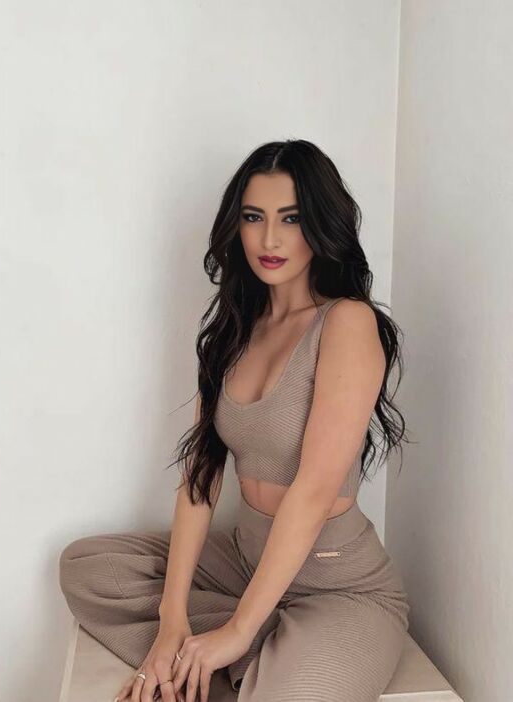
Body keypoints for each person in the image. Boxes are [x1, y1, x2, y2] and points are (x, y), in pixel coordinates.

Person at [59, 139, 412, 702]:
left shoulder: (346, 322)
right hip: (247, 562)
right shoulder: (236, 328)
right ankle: (240, 646)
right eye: (253, 217)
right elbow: (200, 477)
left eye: (290, 218)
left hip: (336, 585)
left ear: (321, 224)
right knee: (87, 566)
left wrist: (238, 628)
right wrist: (172, 619)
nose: (269, 240)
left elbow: (315, 491)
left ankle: (251, 645)